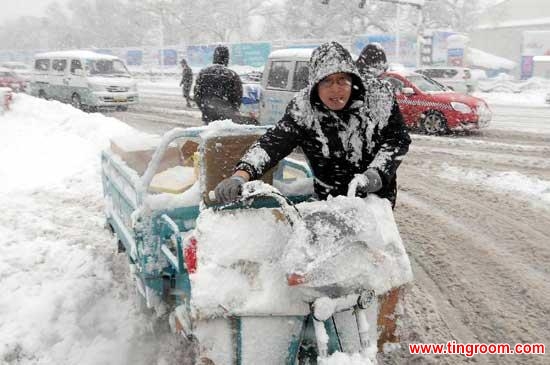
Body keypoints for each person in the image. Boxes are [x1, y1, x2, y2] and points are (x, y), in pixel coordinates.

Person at [214, 41, 410, 208]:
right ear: (315, 84)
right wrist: (242, 174)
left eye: (342, 80)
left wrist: (377, 173)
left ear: (353, 78)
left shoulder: (379, 98)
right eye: (327, 82)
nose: (336, 90)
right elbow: (272, 143)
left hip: (376, 201)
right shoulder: (304, 109)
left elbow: (398, 139)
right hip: (331, 201)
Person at [193, 45, 243, 124]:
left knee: (209, 135)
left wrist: (205, 109)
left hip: (208, 116)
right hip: (227, 119)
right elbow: (237, 98)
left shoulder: (203, 73)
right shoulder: (232, 75)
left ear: (214, 57)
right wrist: (231, 110)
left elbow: (197, 95)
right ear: (227, 58)